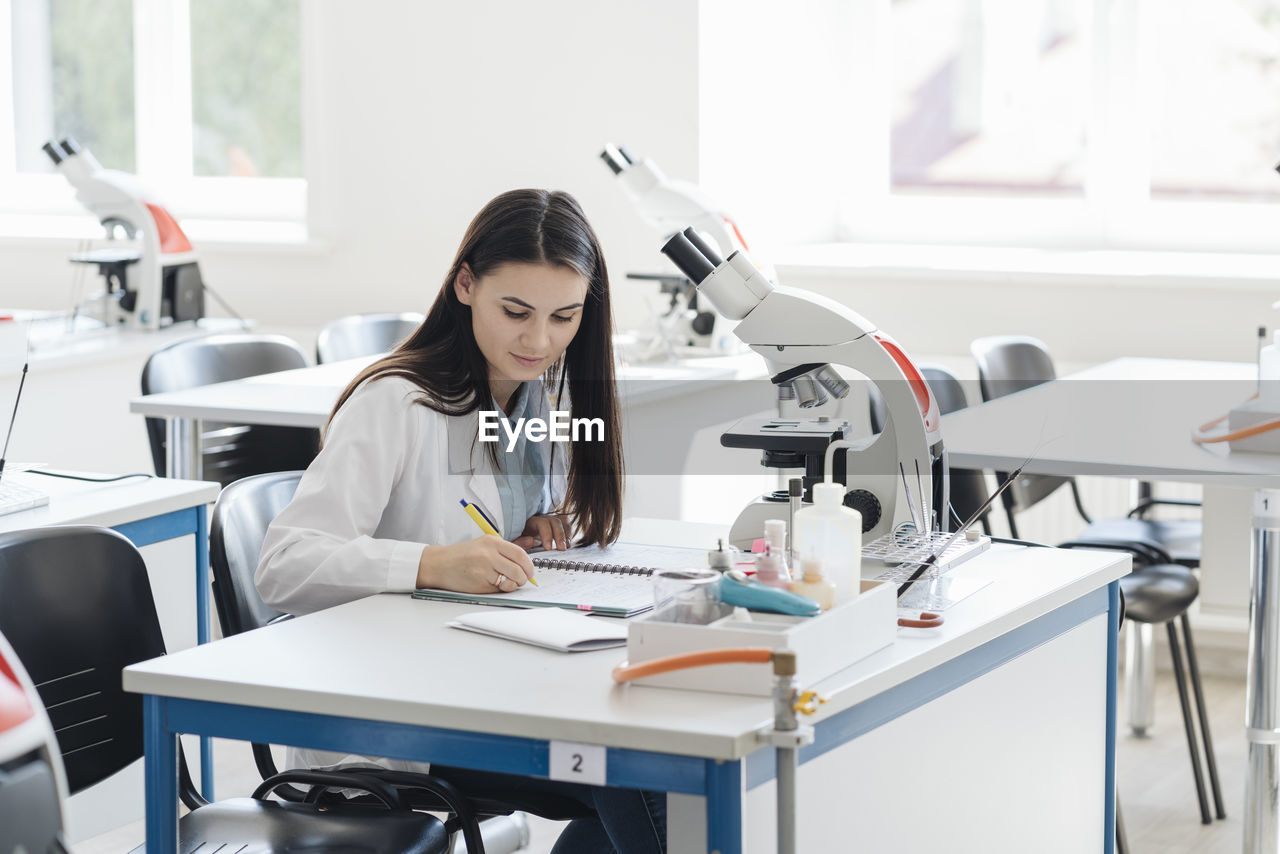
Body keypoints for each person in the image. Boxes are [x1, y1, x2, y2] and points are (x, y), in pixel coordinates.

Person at [255, 188, 664, 853]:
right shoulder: (395, 402)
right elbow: (284, 564)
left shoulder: (532, 400)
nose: (539, 340)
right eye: (516, 312)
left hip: (485, 680)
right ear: (466, 284)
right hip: (399, 716)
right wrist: (431, 562)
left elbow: (483, 519)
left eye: (564, 318)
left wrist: (522, 537)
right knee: (640, 770)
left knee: (658, 765)